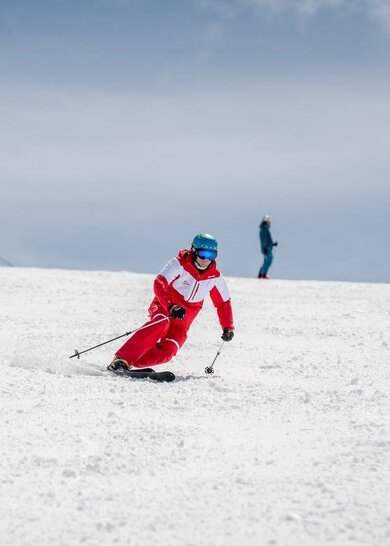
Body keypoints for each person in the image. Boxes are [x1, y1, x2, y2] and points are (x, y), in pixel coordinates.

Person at [108, 233, 235, 371]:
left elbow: (223, 303)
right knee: (161, 323)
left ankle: (129, 365)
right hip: (165, 307)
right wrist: (171, 306)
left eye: (211, 255)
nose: (206, 259)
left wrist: (227, 327)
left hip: (183, 322)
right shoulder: (179, 264)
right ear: (193, 250)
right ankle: (122, 359)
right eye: (203, 254)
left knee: (169, 350)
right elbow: (159, 283)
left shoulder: (215, 277)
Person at [258, 215, 278, 279]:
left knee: (267, 261)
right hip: (266, 248)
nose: (269, 223)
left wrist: (273, 244)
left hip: (267, 248)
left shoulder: (265, 229)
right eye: (269, 222)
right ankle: (262, 274)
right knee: (268, 261)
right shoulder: (264, 229)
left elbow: (267, 240)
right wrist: (265, 248)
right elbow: (264, 240)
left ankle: (262, 274)